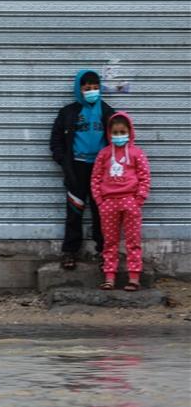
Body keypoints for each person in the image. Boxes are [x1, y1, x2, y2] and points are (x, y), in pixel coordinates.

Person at [50, 70, 115, 270]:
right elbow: (56, 140)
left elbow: (119, 140)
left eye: (95, 88)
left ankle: (105, 252)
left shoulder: (108, 112)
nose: (92, 91)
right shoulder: (68, 112)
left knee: (101, 212)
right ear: (79, 89)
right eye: (87, 88)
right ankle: (70, 252)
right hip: (76, 168)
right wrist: (64, 161)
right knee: (74, 211)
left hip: (101, 170)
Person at [91, 112, 150, 291]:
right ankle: (109, 277)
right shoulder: (104, 154)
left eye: (122, 132)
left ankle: (134, 277)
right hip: (108, 203)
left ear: (129, 132)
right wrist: (100, 200)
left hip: (130, 201)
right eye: (115, 133)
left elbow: (144, 176)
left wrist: (139, 198)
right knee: (110, 242)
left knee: (133, 241)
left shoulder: (136, 153)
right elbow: (96, 177)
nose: (118, 136)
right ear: (109, 134)